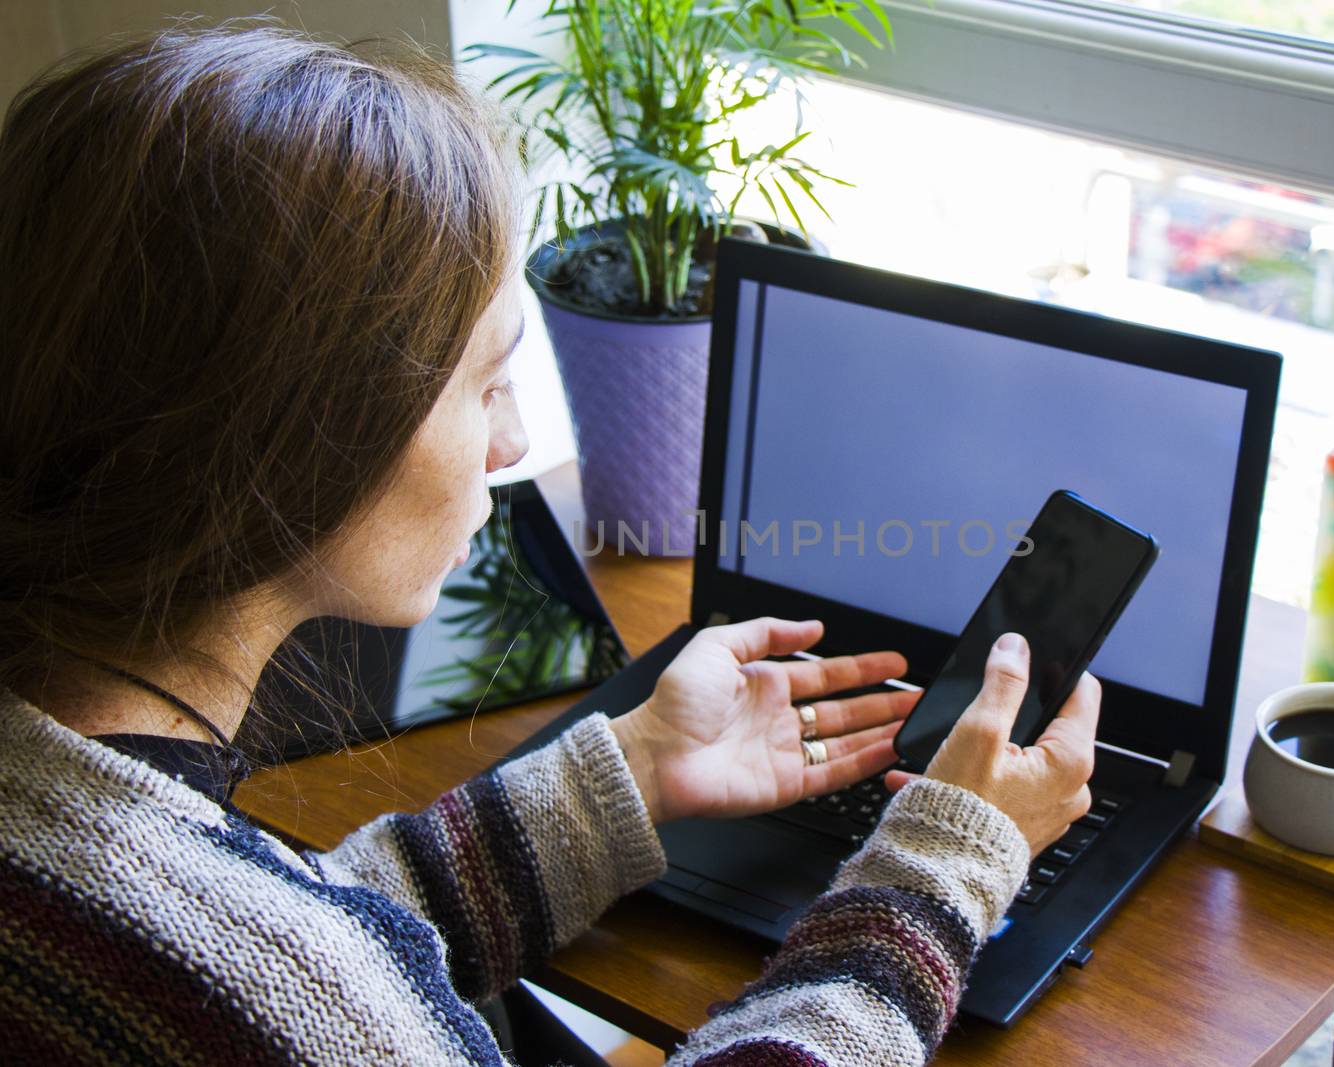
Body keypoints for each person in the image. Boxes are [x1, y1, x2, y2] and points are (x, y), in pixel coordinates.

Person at [0, 25, 1100, 1067]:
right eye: (486, 382)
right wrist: (947, 854)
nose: (513, 441)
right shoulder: (285, 986)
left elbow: (258, 955)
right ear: (296, 434)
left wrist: (618, 774)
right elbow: (297, 991)